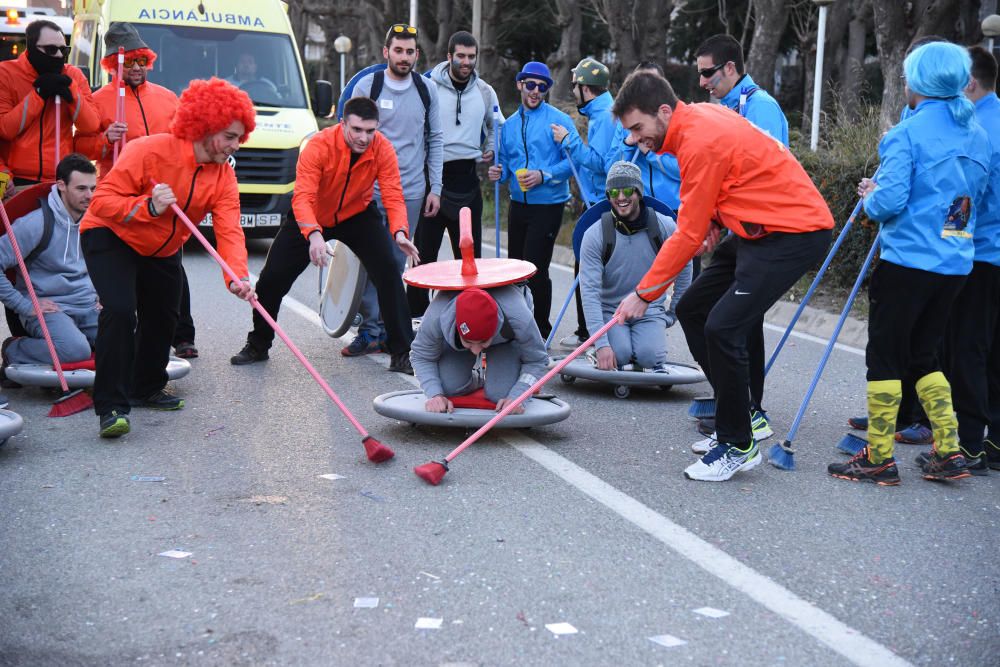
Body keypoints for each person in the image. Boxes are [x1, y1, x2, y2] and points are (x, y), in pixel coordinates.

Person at [613, 71, 833, 482]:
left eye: (638, 128)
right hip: (756, 228)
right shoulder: (695, 122)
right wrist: (714, 215)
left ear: (664, 111)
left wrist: (643, 294)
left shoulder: (699, 140)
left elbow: (688, 234)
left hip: (792, 233)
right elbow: (725, 185)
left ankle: (737, 444)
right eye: (630, 131)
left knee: (723, 327)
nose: (634, 139)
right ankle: (743, 414)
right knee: (694, 308)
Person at [827, 42, 990, 485]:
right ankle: (950, 450)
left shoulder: (906, 134)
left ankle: (878, 455)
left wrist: (869, 196)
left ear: (917, 83)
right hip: (955, 264)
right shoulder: (977, 134)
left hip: (907, 263)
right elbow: (971, 202)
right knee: (926, 354)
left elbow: (889, 203)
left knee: (885, 356)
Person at [81, 78, 256, 438]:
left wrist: (237, 276)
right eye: (228, 136)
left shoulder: (224, 177)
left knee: (165, 314)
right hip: (111, 235)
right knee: (119, 309)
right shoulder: (149, 150)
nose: (234, 145)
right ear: (205, 127)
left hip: (160, 248)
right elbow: (101, 202)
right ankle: (111, 405)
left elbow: (229, 231)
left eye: (239, 137)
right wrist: (149, 205)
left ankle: (145, 386)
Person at [231, 97, 418, 375]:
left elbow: (392, 194)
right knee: (271, 280)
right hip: (313, 214)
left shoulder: (383, 149)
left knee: (389, 270)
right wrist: (314, 234)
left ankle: (401, 352)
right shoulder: (319, 145)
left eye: (370, 131)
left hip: (358, 214)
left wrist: (400, 231)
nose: (363, 138)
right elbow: (303, 195)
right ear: (342, 123)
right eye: (356, 129)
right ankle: (258, 344)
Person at [72, 23, 199, 361]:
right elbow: (79, 148)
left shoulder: (166, 98)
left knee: (173, 269)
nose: (138, 67)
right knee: (129, 274)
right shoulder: (99, 100)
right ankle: (128, 336)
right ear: (114, 64)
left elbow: (184, 141)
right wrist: (104, 140)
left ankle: (182, 335)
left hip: (164, 197)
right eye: (130, 62)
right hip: (121, 198)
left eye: (142, 60)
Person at [347, 23, 442, 358]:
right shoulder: (367, 85)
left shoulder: (426, 90)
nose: (404, 57)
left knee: (394, 263)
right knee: (368, 260)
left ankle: (387, 330)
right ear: (386, 52)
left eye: (410, 51)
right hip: (368, 191)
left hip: (411, 191)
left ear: (417, 54)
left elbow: (435, 140)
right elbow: (349, 137)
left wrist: (436, 188)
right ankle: (368, 329)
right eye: (398, 50)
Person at [930, 45, 1000, 474]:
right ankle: (992, 440)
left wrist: (945, 238)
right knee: (992, 350)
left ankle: (970, 443)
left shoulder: (978, 127)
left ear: (969, 82)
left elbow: (968, 196)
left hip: (981, 251)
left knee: (967, 347)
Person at [407, 30, 502, 318]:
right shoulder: (427, 86)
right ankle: (415, 319)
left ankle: (469, 319)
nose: (466, 62)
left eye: (471, 57)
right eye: (460, 56)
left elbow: (498, 126)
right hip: (432, 179)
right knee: (423, 259)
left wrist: (491, 148)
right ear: (449, 56)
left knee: (469, 261)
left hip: (467, 180)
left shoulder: (485, 91)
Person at [488, 61, 582, 339]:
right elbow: (505, 164)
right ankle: (517, 326)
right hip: (518, 205)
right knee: (515, 268)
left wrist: (544, 175)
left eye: (542, 87)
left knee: (536, 269)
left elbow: (574, 162)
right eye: (530, 85)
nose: (536, 91)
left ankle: (541, 329)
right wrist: (499, 171)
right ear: (520, 85)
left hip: (549, 205)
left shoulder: (559, 121)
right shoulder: (509, 125)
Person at [579, 161, 690, 372]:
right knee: (619, 355)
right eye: (614, 192)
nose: (621, 198)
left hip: (649, 310)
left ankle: (642, 348)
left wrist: (673, 312)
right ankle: (596, 349)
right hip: (611, 312)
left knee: (650, 358)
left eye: (628, 190)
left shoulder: (664, 226)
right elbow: (590, 292)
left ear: (638, 192)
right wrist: (601, 344)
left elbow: (684, 265)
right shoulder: (594, 234)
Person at [0, 154, 98, 374]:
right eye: (81, 188)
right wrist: (24, 306)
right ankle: (14, 349)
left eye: (93, 188)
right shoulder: (35, 223)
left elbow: (106, 264)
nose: (89, 196)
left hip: (86, 304)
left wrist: (104, 294)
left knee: (128, 340)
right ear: (61, 185)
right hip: (49, 307)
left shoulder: (94, 220)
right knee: (75, 350)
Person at [551, 56, 616, 348]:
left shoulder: (604, 116)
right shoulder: (603, 110)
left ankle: (586, 333)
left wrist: (570, 140)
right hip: (602, 202)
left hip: (602, 204)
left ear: (585, 89)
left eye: (575, 85)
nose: (573, 91)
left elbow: (600, 163)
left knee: (586, 269)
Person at [410, 287, 548, 415]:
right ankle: (478, 378)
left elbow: (537, 360)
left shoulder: (520, 318)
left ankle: (504, 374)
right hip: (454, 339)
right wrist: (435, 394)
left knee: (501, 394)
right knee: (446, 388)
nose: (476, 351)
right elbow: (421, 356)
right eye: (469, 342)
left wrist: (519, 395)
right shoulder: (437, 314)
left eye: (483, 341)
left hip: (506, 340)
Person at [0, 19, 100, 194]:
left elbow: (90, 125)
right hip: (18, 181)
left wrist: (72, 93)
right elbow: (6, 129)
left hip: (62, 178)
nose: (59, 56)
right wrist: (39, 94)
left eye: (64, 50)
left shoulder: (73, 75)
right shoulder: (6, 74)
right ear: (31, 48)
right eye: (51, 50)